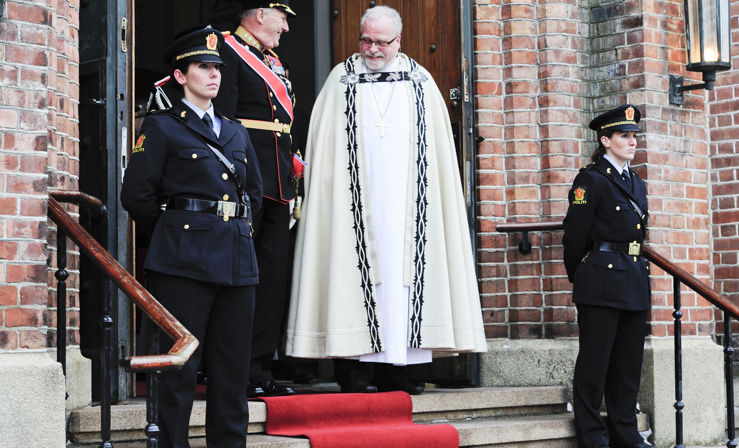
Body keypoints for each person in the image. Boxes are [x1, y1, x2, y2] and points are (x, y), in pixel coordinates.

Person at [285, 5, 487, 395]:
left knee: (405, 280)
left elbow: (438, 157)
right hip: (354, 205)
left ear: (399, 40)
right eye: (366, 40)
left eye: (381, 42)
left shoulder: (421, 82)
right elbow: (324, 152)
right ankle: (355, 372)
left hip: (408, 205)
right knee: (351, 273)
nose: (373, 49)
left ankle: (400, 370)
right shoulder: (340, 81)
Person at [121, 26, 262, 448]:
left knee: (232, 367)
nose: (214, 75)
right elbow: (137, 196)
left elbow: (251, 191)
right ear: (181, 75)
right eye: (204, 67)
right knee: (179, 368)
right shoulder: (163, 127)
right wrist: (177, 234)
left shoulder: (235, 131)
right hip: (183, 261)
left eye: (217, 67)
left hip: (236, 261)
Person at [214, 0, 298, 397]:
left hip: (278, 180)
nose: (285, 29)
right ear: (261, 14)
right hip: (247, 177)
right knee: (240, 279)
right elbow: (225, 121)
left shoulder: (272, 60)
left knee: (272, 278)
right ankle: (231, 368)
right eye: (282, 19)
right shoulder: (225, 49)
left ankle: (259, 368)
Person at [562, 104, 651, 448]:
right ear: (605, 140)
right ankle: (592, 436)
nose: (632, 142)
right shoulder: (591, 179)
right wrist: (581, 274)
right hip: (599, 281)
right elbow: (575, 235)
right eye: (624, 136)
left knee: (627, 367)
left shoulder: (637, 182)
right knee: (594, 365)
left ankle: (625, 433)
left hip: (632, 278)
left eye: (634, 137)